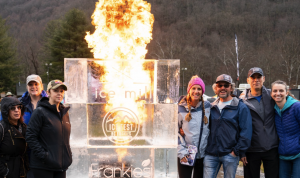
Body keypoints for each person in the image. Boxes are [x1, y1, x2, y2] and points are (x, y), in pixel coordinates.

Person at [204, 74, 252, 178]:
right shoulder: (211, 107)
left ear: (231, 88)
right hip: (211, 154)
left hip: (230, 154)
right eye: (219, 85)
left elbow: (246, 131)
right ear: (216, 88)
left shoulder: (240, 106)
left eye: (226, 85)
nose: (222, 88)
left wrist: (236, 151)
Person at [25, 80, 72, 178]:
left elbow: (64, 138)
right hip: (43, 167)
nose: (59, 93)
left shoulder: (64, 113)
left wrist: (68, 155)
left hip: (60, 166)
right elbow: (30, 137)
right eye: (56, 91)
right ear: (48, 92)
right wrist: (44, 156)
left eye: (61, 91)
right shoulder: (40, 112)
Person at [240, 67, 279, 178]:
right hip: (252, 149)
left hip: (271, 147)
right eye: (253, 78)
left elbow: (288, 101)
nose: (256, 80)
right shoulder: (242, 101)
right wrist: (242, 151)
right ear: (248, 80)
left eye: (259, 77)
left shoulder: (273, 96)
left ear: (264, 79)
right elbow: (240, 126)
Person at [177, 75, 211, 178]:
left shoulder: (208, 106)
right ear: (189, 90)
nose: (196, 91)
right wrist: (182, 153)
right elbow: (175, 132)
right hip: (186, 155)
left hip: (202, 156)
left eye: (199, 89)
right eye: (193, 88)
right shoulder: (180, 108)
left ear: (202, 91)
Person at [271, 80, 300, 178]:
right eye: (275, 91)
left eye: (281, 91)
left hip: (298, 154)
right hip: (283, 155)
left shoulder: (296, 107)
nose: (278, 93)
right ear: (271, 93)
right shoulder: (273, 109)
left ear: (286, 92)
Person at [0, 97, 28, 178]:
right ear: (6, 111)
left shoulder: (23, 127)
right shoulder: (1, 128)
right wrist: (5, 172)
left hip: (22, 171)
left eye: (19, 107)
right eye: (12, 108)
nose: (17, 110)